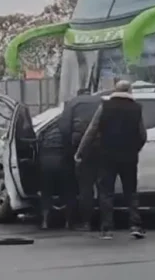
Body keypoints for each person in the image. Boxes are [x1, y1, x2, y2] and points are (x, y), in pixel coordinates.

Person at [76, 80, 147, 240]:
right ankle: (135, 225)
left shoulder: (105, 106)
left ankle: (107, 229)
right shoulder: (136, 108)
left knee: (106, 192)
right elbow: (142, 134)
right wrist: (135, 148)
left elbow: (91, 130)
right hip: (129, 157)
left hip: (106, 155)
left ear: (115, 90)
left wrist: (81, 152)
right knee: (131, 191)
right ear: (129, 90)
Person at [58, 88, 102, 231]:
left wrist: (69, 147)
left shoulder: (72, 103)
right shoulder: (101, 101)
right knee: (103, 187)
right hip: (100, 145)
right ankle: (105, 222)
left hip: (80, 147)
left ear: (78, 94)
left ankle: (86, 222)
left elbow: (64, 127)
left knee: (85, 186)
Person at [38, 119, 77, 229]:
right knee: (68, 192)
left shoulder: (46, 132)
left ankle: (45, 222)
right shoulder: (68, 132)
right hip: (63, 163)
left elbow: (38, 146)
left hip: (46, 163)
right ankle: (68, 222)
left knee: (46, 192)